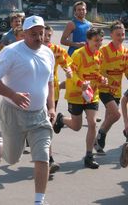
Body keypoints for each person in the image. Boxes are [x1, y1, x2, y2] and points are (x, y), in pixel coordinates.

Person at [0, 15, 55, 205]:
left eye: (41, 33)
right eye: (33, 34)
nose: (38, 38)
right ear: (24, 34)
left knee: (42, 156)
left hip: (39, 115)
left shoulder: (48, 53)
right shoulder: (11, 52)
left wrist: (51, 106)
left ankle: (39, 201)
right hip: (12, 112)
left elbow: (50, 83)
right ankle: (0, 146)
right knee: (12, 158)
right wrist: (13, 94)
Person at [53, 28, 108, 169]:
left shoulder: (99, 55)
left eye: (101, 41)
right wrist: (80, 84)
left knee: (92, 123)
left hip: (91, 95)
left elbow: (96, 73)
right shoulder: (78, 54)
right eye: (96, 41)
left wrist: (101, 79)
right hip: (75, 95)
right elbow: (71, 74)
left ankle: (89, 156)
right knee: (76, 126)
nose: (99, 44)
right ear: (87, 41)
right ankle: (61, 119)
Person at [43, 25, 73, 174]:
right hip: (34, 93)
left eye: (49, 35)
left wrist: (68, 71)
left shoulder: (56, 50)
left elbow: (68, 63)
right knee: (43, 126)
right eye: (44, 35)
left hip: (52, 92)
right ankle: (48, 158)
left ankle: (49, 160)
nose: (46, 38)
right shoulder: (31, 49)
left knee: (47, 125)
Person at [94, 21, 127, 154]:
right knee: (116, 114)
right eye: (118, 34)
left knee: (110, 117)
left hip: (117, 90)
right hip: (104, 89)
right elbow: (95, 68)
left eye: (123, 34)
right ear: (111, 35)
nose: (121, 37)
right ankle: (101, 135)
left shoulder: (125, 52)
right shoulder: (103, 51)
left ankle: (97, 143)